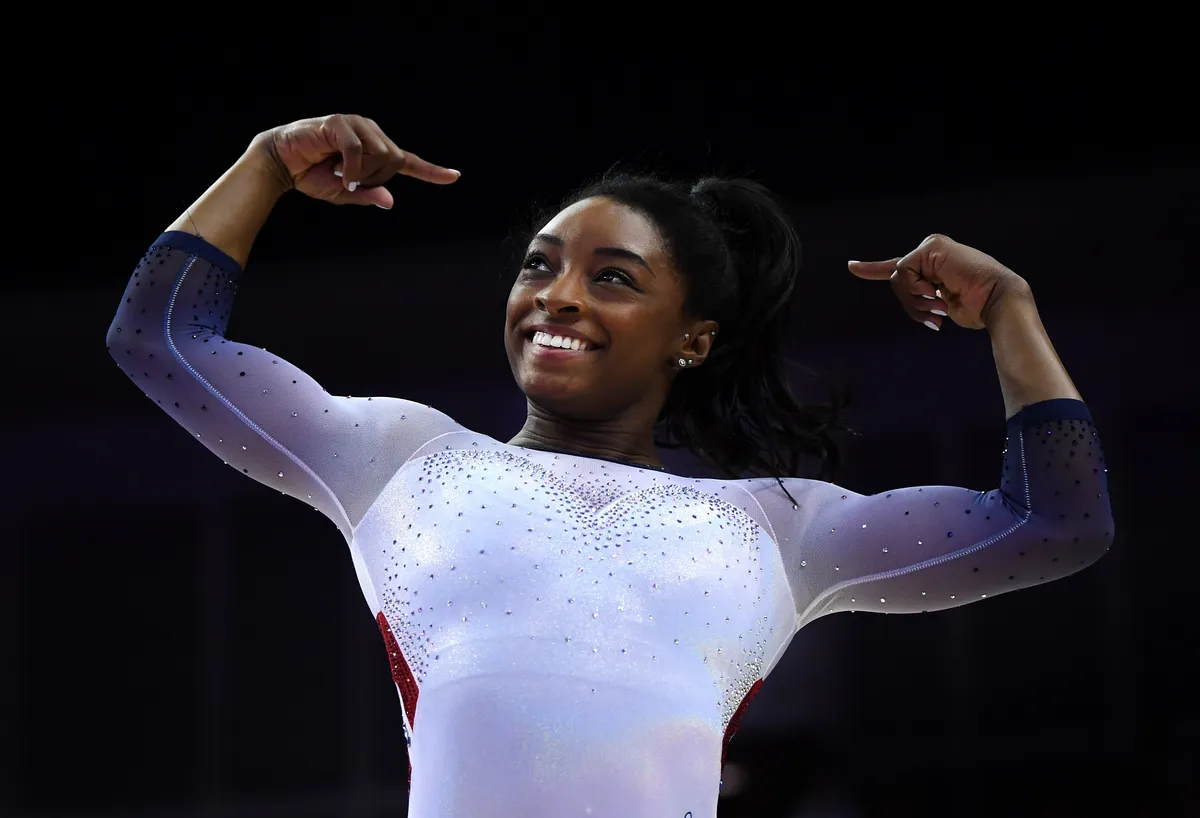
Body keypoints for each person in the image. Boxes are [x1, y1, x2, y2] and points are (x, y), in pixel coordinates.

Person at [106, 114, 1114, 818]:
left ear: (693, 337)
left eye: (613, 278)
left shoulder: (782, 528)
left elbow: (1056, 523)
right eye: (538, 265)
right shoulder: (400, 457)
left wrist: (1012, 314)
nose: (559, 296)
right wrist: (267, 164)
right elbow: (159, 338)